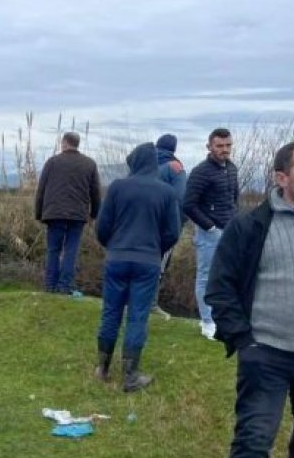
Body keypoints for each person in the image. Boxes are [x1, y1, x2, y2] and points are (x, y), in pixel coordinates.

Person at [206, 141, 294, 458]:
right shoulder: (251, 226)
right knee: (254, 440)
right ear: (281, 177)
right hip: (267, 355)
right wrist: (245, 341)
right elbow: (220, 287)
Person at [94, 143, 180, 392]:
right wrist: (156, 249)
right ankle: (131, 376)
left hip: (117, 258)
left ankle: (102, 368)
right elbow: (172, 232)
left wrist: (113, 246)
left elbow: (102, 227)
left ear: (134, 162)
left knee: (111, 312)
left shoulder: (117, 188)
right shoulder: (166, 192)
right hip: (148, 261)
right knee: (138, 316)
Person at [183, 127, 239, 340]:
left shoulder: (232, 168)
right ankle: (207, 321)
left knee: (226, 276)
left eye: (228, 145)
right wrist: (209, 227)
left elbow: (234, 200)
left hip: (230, 231)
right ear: (209, 147)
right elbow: (188, 205)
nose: (224, 150)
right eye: (220, 146)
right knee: (205, 276)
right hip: (209, 234)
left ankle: (222, 318)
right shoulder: (201, 171)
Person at [34, 131, 101, 294]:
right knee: (71, 249)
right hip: (78, 214)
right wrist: (94, 214)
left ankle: (50, 285)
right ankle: (65, 286)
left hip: (53, 213)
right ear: (77, 144)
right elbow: (96, 192)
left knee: (53, 249)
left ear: (64, 143)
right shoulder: (90, 164)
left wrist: (39, 213)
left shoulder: (52, 162)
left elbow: (41, 190)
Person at [152, 133, 188, 320]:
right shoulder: (175, 168)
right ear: (174, 149)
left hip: (138, 224)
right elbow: (180, 199)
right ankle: (150, 303)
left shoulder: (143, 164)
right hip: (163, 226)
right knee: (159, 264)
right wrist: (178, 225)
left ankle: (130, 301)